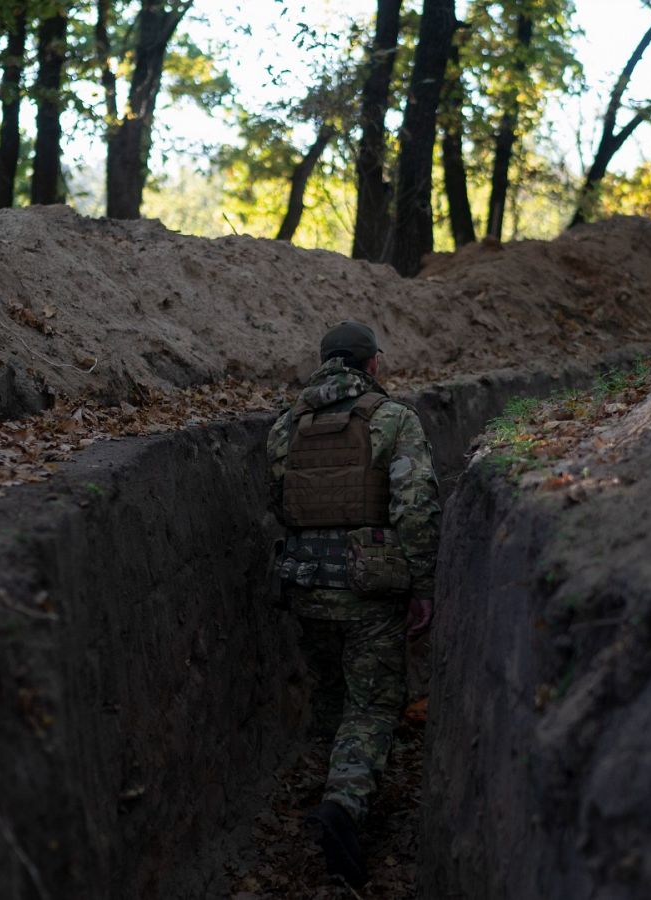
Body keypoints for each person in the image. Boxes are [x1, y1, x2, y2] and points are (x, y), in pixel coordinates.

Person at [266, 320, 440, 886]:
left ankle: (320, 790)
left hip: (306, 584)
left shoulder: (285, 426)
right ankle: (343, 807)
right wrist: (422, 585)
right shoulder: (393, 419)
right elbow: (416, 508)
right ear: (372, 365)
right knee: (371, 706)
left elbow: (280, 503)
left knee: (332, 696)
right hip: (370, 590)